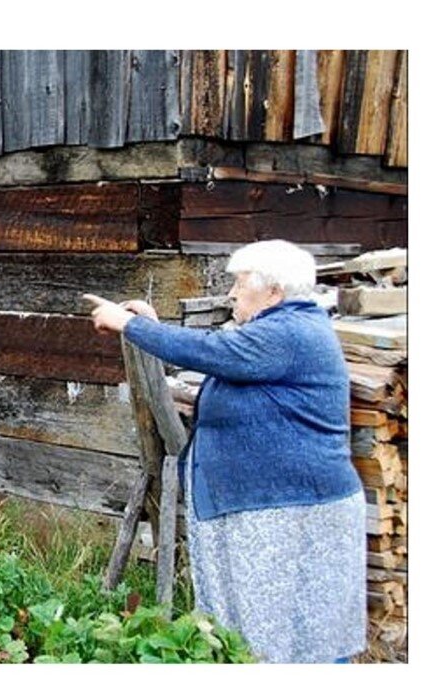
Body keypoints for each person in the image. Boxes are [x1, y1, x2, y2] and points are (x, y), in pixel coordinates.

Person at [86, 239, 365, 663]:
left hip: (292, 511)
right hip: (272, 507)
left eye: (239, 283)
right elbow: (218, 354)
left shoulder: (290, 332)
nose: (231, 293)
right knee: (263, 631)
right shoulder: (279, 331)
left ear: (272, 290)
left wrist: (130, 325)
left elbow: (212, 352)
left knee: (293, 635)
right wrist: (154, 324)